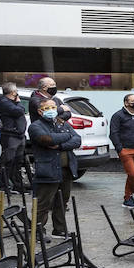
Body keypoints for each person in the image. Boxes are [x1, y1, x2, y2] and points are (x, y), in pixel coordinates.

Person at [28, 96, 82, 239]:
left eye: (53, 108)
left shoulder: (62, 123)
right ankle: (38, 232)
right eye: (48, 108)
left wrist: (61, 144)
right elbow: (47, 140)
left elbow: (77, 140)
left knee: (62, 201)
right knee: (43, 203)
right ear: (40, 111)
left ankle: (59, 229)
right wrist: (66, 136)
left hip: (66, 169)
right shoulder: (35, 126)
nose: (52, 111)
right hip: (48, 169)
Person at [109, 93, 134, 209]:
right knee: (133, 174)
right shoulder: (118, 116)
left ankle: (127, 198)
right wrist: (119, 148)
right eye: (132, 101)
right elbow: (113, 133)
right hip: (126, 150)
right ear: (126, 103)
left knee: (132, 176)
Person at [0, 82, 29, 193]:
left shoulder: (13, 102)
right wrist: (19, 103)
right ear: (13, 92)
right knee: (8, 160)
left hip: (19, 135)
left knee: (18, 161)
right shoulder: (3, 101)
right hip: (10, 135)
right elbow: (18, 111)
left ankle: (17, 185)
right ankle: (4, 185)